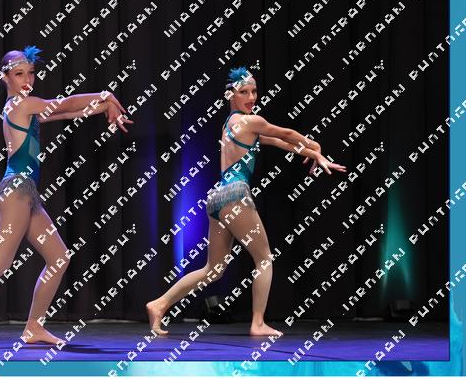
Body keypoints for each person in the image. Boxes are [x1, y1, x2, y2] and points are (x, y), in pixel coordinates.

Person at [0, 45, 133, 348]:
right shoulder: (20, 105)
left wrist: (106, 107)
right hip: (16, 191)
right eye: (19, 74)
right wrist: (104, 94)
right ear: (5, 78)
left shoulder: (27, 109)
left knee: (58, 258)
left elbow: (69, 112)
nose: (27, 80)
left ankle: (34, 327)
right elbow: (63, 103)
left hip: (26, 194)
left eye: (31, 73)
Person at [146, 66, 346, 337]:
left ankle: (159, 304)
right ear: (231, 95)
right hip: (235, 195)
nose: (251, 97)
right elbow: (287, 134)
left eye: (254, 91)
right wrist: (316, 146)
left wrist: (315, 154)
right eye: (244, 92)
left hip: (217, 198)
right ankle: (258, 322)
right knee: (264, 259)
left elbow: (281, 143)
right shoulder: (251, 121)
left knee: (213, 269)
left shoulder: (231, 124)